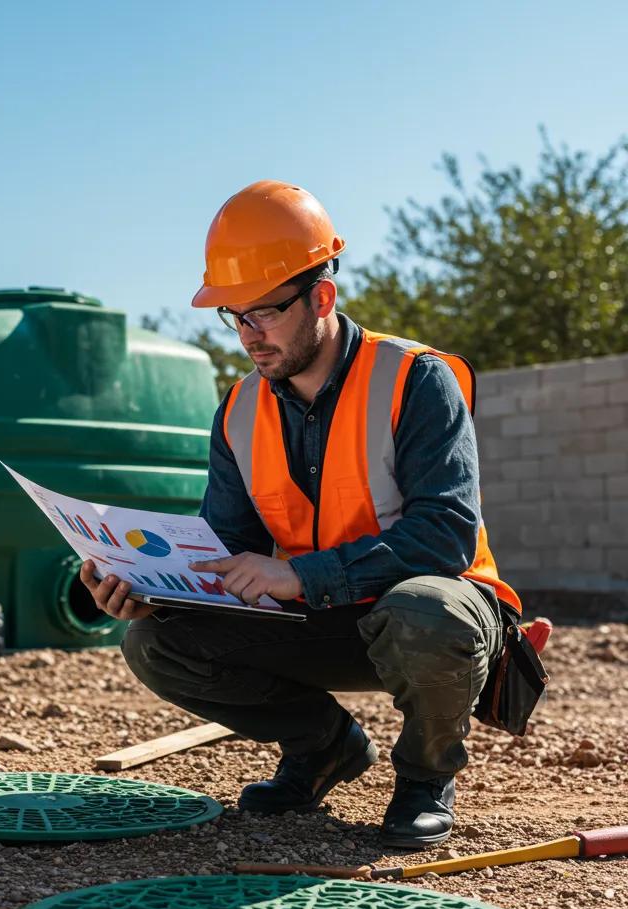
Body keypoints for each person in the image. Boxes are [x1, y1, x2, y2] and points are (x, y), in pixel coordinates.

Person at [79, 179, 522, 848]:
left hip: (434, 615)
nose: (248, 336)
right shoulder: (237, 410)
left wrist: (303, 577)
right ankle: (324, 748)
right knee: (156, 643)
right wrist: (151, 590)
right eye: (234, 315)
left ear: (322, 296)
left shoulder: (415, 379)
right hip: (322, 619)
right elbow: (225, 552)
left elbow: (445, 537)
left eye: (265, 312)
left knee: (428, 610)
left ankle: (426, 779)